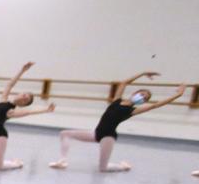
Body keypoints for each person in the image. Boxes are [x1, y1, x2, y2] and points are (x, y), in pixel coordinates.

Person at [49, 72, 186, 172]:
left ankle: (123, 166)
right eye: (141, 94)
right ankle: (62, 160)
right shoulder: (117, 100)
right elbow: (123, 83)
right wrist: (143, 74)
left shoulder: (132, 110)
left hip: (108, 137)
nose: (142, 97)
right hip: (96, 133)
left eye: (145, 98)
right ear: (134, 93)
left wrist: (178, 95)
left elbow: (156, 105)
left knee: (103, 168)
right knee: (65, 133)